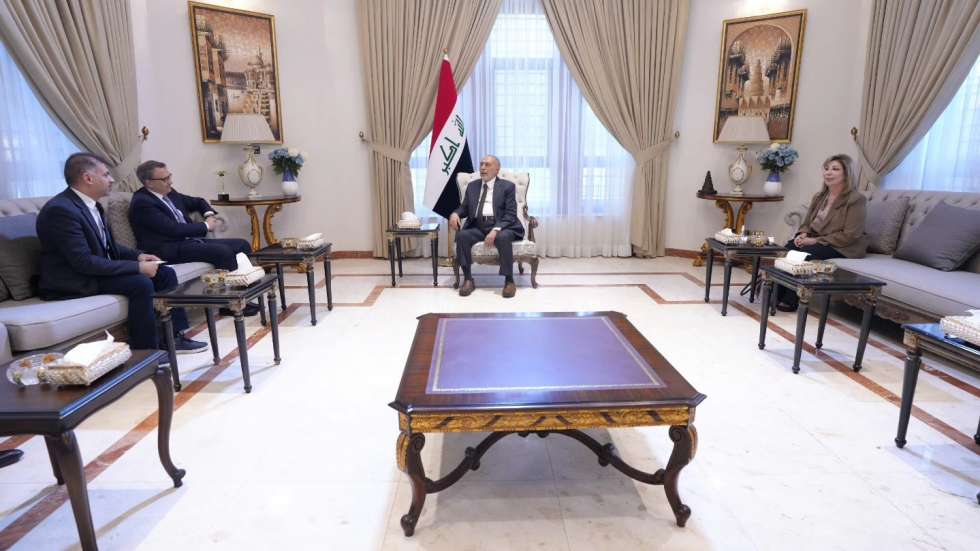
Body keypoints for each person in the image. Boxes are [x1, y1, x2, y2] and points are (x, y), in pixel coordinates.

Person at [36, 153, 207, 353]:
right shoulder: (61, 210)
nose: (112, 179)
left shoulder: (92, 204)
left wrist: (138, 256)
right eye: (106, 175)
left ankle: (173, 337)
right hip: (73, 279)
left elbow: (107, 246)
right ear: (88, 178)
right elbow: (83, 262)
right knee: (140, 283)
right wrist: (137, 267)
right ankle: (145, 352)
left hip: (91, 271)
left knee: (165, 273)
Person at [130, 160, 259, 316]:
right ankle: (228, 303)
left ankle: (244, 294)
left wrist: (209, 215)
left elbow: (198, 201)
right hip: (167, 248)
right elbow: (173, 229)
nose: (170, 181)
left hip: (187, 242)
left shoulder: (168, 192)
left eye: (169, 176)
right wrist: (206, 226)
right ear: (148, 182)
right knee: (223, 252)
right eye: (164, 179)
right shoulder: (143, 203)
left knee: (242, 245)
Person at [776, 153, 868, 311]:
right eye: (826, 169)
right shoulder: (819, 197)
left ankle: (791, 299)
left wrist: (814, 241)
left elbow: (851, 235)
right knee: (788, 248)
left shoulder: (856, 199)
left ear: (846, 174)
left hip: (843, 246)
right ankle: (776, 294)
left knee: (805, 254)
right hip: (818, 240)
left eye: (835, 169)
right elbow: (807, 223)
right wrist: (803, 234)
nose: (828, 172)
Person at [449, 155, 525, 298]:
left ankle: (509, 280)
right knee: (462, 236)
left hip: (503, 226)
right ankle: (468, 279)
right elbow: (464, 208)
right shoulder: (472, 186)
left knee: (502, 237)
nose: (483, 167)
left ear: (497, 169)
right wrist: (455, 213)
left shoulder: (508, 186)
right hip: (478, 225)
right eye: (481, 164)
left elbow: (510, 214)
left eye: (487, 165)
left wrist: (495, 230)